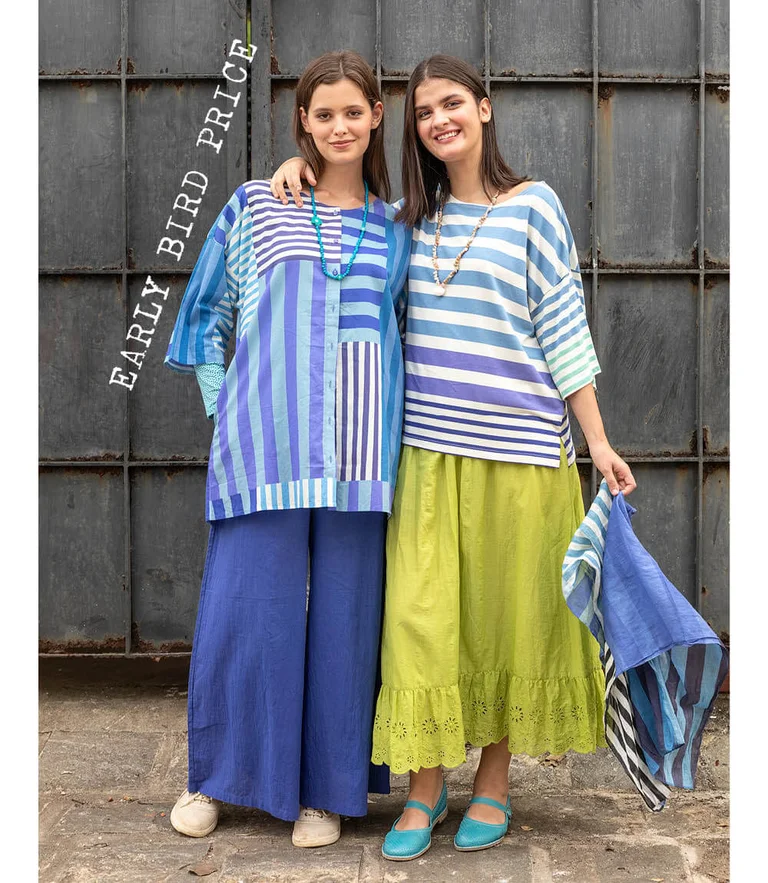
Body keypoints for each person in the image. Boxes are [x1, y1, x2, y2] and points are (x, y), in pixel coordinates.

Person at [270, 53, 636, 861]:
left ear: (484, 107)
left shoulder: (535, 205)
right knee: (420, 625)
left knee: (505, 624)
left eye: (452, 104)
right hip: (427, 456)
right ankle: (425, 785)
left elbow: (564, 327)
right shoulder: (406, 220)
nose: (440, 119)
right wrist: (297, 168)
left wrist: (598, 441)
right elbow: (342, 233)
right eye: (425, 111)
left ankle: (493, 782)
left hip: (523, 456)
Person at [163, 50, 411, 848]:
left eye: (353, 112)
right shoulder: (255, 205)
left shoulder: (398, 226)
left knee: (347, 622)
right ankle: (216, 778)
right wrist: (226, 409)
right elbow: (206, 315)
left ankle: (327, 793)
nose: (339, 126)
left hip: (359, 456)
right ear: (302, 120)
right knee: (246, 613)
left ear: (376, 116)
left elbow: (412, 333)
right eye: (323, 113)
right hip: (263, 449)